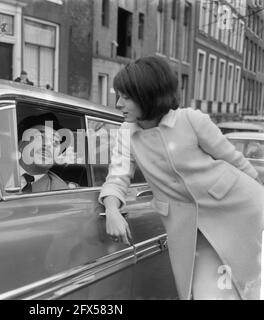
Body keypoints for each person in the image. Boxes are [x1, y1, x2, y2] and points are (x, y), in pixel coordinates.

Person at [98, 55, 264, 300]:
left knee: (243, 287)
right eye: (118, 95)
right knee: (207, 293)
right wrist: (112, 210)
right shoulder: (126, 135)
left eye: (126, 97)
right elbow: (117, 177)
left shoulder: (191, 120)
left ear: (149, 94)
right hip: (187, 228)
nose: (118, 104)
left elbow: (235, 161)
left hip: (237, 210)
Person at [5, 113, 77, 192]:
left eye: (55, 141)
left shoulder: (60, 191)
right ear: (20, 145)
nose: (47, 144)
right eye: (40, 137)